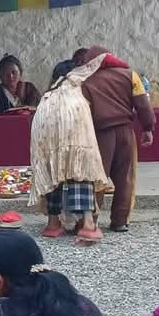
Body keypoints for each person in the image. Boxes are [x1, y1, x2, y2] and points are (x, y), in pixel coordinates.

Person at [74, 45, 154, 231]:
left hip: (99, 135)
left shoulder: (84, 80)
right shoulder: (131, 75)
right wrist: (148, 128)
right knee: (125, 178)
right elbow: (143, 105)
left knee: (95, 178)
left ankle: (89, 222)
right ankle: (120, 220)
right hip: (126, 133)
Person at [30, 57, 109, 243]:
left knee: (53, 174)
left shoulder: (48, 96)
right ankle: (88, 224)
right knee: (81, 172)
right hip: (75, 135)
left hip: (47, 138)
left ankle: (53, 224)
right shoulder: (77, 90)